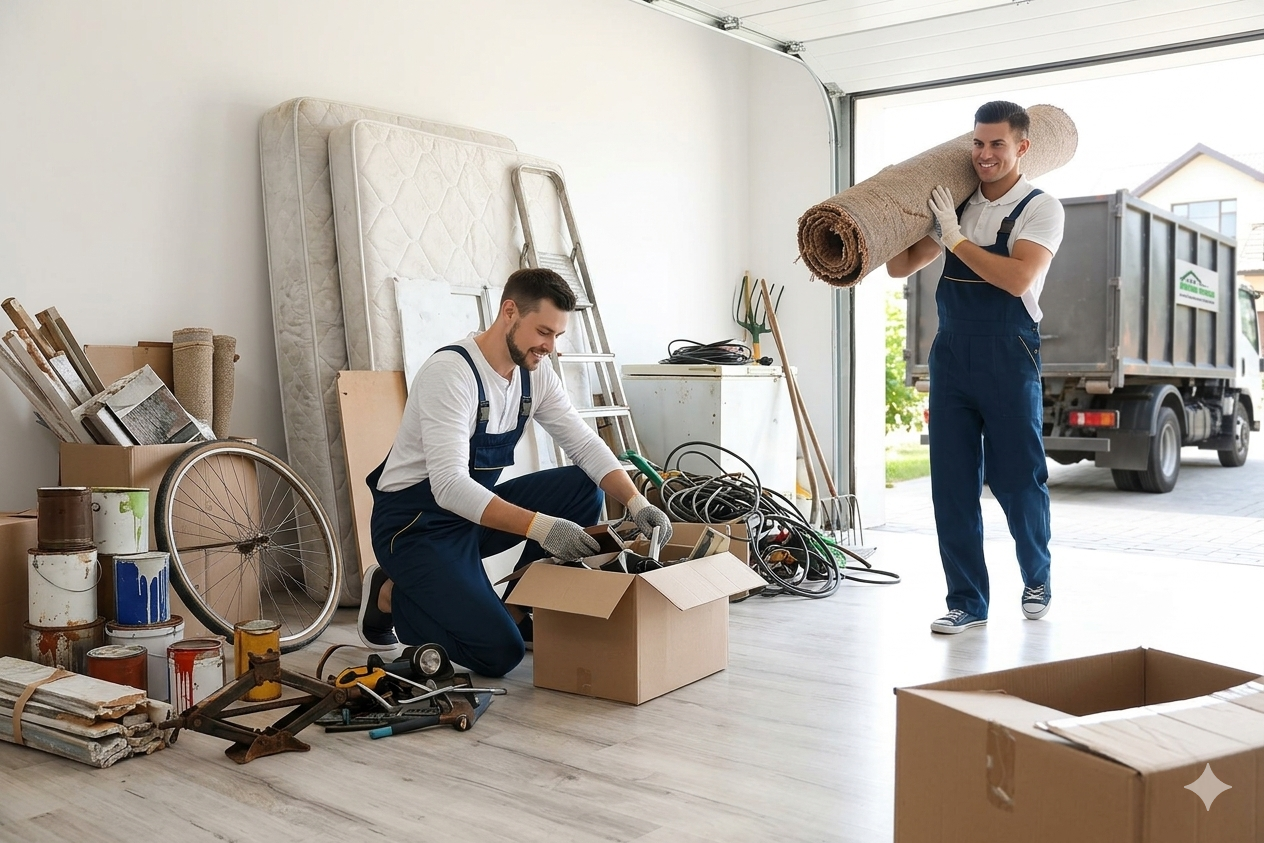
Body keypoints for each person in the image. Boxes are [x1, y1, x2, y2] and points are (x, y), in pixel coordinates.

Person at [360, 267, 672, 675]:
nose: (551, 347)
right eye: (544, 332)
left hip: (468, 520)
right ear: (509, 311)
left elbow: (584, 443)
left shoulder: (533, 375)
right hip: (416, 528)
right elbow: (451, 486)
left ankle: (519, 608)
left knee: (581, 487)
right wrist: (543, 528)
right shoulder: (452, 375)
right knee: (499, 655)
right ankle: (388, 594)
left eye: (558, 336)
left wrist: (634, 500)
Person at [885, 101, 1065, 634]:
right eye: (978, 143)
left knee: (1017, 480)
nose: (985, 155)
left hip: (1009, 355)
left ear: (1022, 147)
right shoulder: (955, 203)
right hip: (953, 355)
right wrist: (910, 211)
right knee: (952, 483)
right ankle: (966, 601)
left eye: (997, 144)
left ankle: (1037, 576)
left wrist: (956, 237)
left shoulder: (1040, 207)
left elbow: (1016, 279)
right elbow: (899, 266)